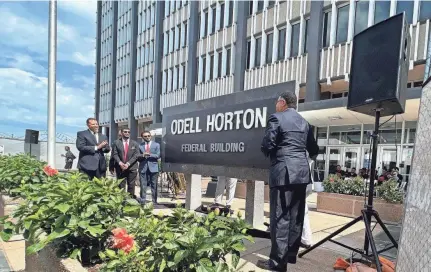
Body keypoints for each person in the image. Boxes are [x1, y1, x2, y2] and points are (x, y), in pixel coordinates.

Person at [258, 92, 319, 271]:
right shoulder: (304, 122)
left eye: (277, 102)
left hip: (283, 173)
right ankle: (289, 257)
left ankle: (277, 263)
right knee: (295, 217)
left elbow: (267, 145)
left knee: (280, 218)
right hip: (301, 174)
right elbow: (314, 149)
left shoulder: (276, 118)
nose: (276, 105)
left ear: (282, 102)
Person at [111, 128, 140, 198]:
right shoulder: (116, 142)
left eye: (128, 132)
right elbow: (114, 154)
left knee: (131, 185)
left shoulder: (135, 143)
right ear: (121, 133)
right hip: (120, 167)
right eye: (125, 132)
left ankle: (130, 201)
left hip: (132, 167)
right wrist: (120, 163)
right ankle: (121, 200)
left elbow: (136, 155)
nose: (127, 133)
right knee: (121, 185)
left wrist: (128, 164)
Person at [138, 131, 160, 205]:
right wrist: (142, 155)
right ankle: (142, 200)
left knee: (154, 185)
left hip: (153, 167)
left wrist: (149, 154)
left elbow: (158, 155)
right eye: (145, 136)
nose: (147, 137)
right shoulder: (140, 145)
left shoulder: (156, 145)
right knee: (142, 185)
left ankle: (154, 201)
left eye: (148, 136)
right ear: (142, 137)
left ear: (151, 136)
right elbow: (137, 156)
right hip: (143, 167)